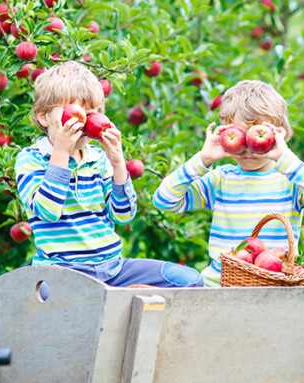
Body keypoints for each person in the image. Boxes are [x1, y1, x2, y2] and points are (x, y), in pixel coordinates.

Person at [15, 61, 203, 287]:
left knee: (188, 280)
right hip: (61, 274)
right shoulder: (30, 159)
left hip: (113, 269)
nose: (83, 123)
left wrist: (118, 164)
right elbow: (48, 211)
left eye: (90, 114)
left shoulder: (98, 159)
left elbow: (123, 215)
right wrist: (61, 153)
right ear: (44, 117)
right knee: (53, 308)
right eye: (72, 114)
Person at [153, 80, 304, 287]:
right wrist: (202, 160)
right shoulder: (221, 179)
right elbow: (164, 201)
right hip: (219, 285)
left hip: (274, 287)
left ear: (278, 136)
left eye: (257, 137)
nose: (249, 149)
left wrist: (287, 159)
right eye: (241, 139)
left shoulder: (291, 180)